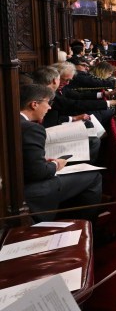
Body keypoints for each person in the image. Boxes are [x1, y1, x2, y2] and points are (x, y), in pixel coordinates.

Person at [20, 84, 103, 221]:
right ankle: (79, 224)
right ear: (34, 104)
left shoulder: (10, 120)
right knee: (94, 176)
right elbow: (38, 172)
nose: (50, 107)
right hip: (27, 191)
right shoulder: (31, 128)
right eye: (48, 102)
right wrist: (56, 164)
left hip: (18, 182)